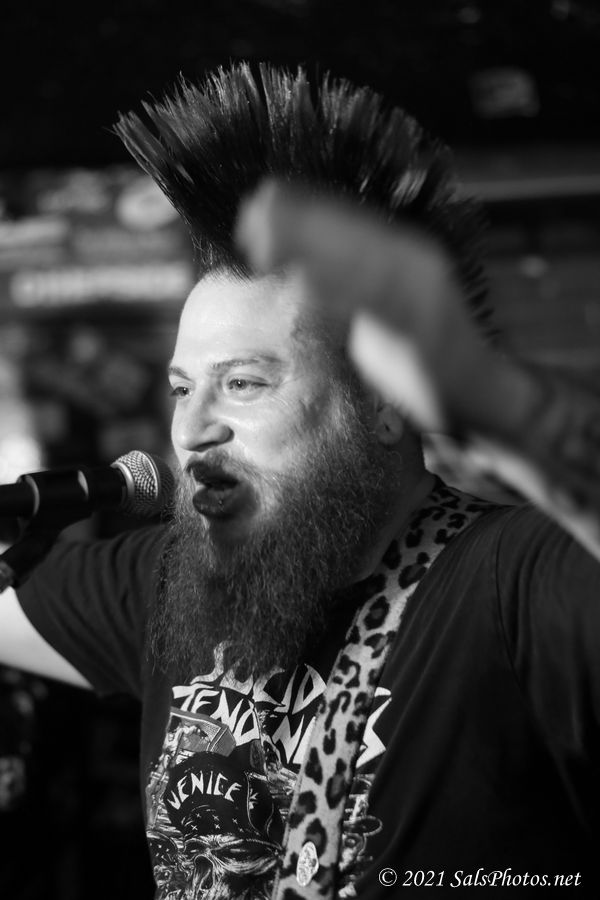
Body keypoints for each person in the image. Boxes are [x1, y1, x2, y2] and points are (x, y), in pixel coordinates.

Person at [0, 63, 599, 899]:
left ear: (385, 402)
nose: (191, 428)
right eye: (181, 389)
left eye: (243, 383)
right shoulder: (168, 582)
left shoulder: (515, 581)